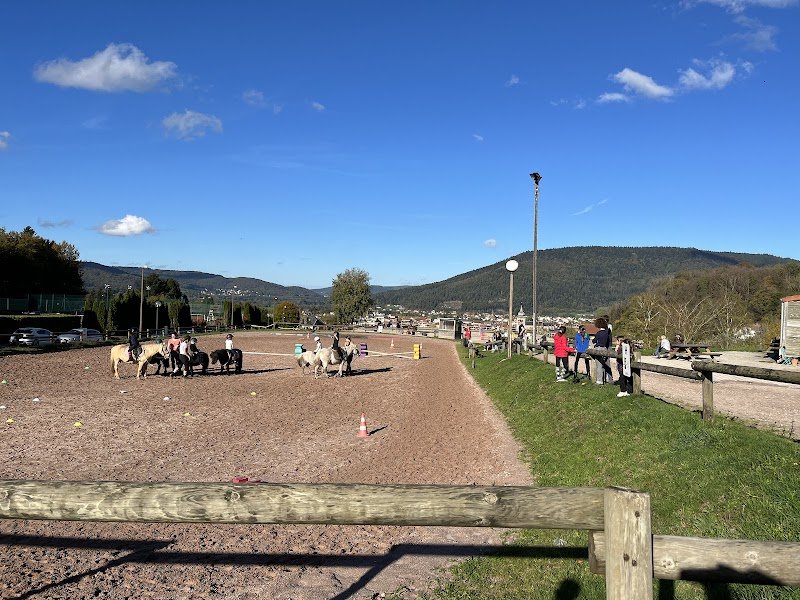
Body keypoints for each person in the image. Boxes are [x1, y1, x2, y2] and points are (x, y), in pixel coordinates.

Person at [593, 317, 613, 385]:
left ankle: (599, 380)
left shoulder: (599, 333)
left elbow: (594, 340)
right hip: (604, 348)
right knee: (604, 364)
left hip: (598, 348)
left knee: (599, 365)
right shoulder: (607, 332)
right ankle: (608, 379)